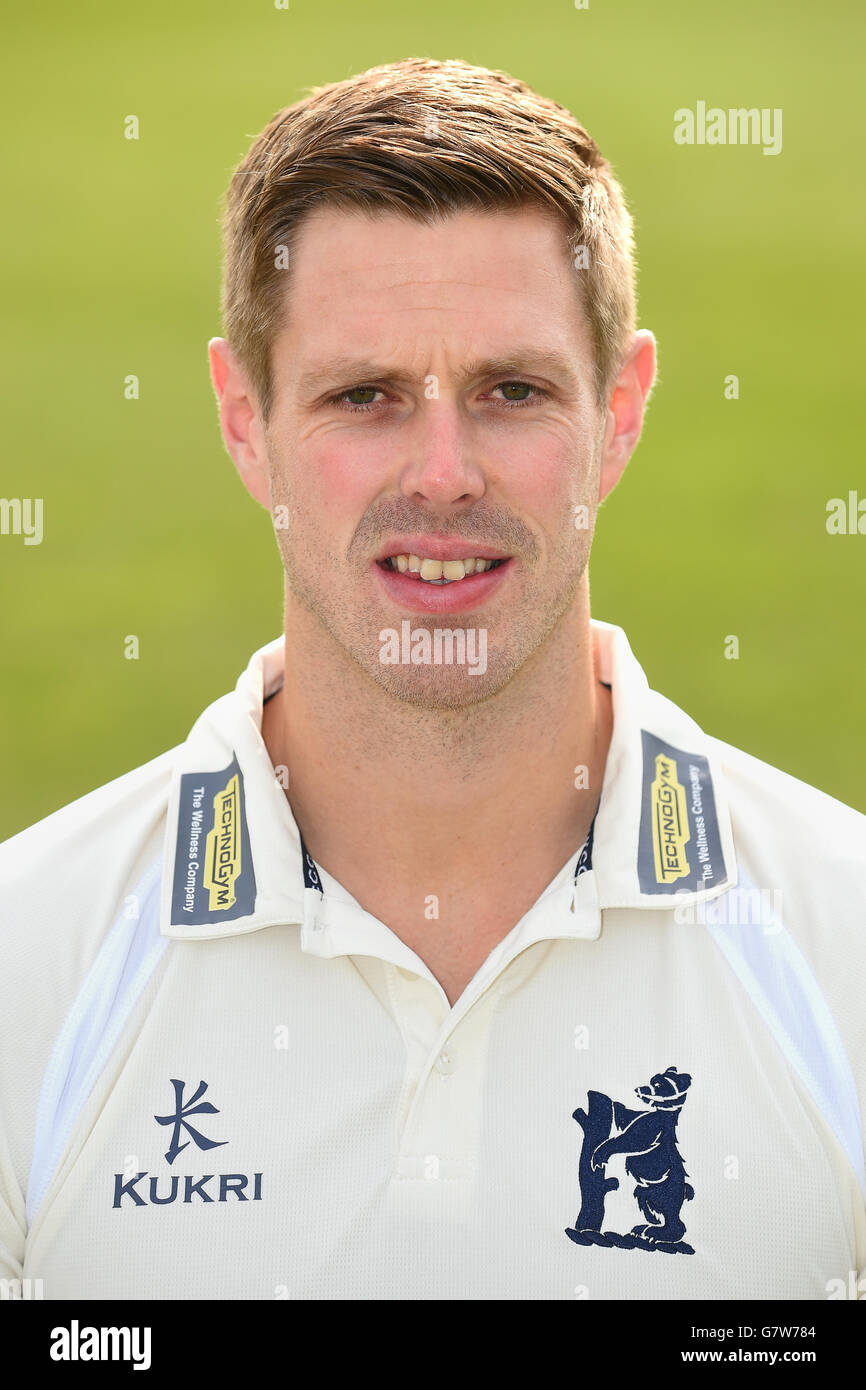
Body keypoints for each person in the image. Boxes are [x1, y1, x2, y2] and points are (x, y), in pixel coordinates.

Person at [1, 57, 863, 1302]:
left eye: (511, 391)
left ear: (619, 413)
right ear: (245, 421)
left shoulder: (834, 950)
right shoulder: (33, 962)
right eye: (366, 397)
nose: (446, 473)